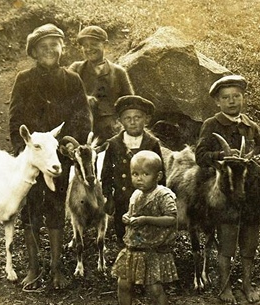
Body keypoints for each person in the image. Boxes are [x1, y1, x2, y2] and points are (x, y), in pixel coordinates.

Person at [9, 23, 92, 290]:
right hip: (33, 159)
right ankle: (34, 269)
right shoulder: (24, 80)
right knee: (31, 210)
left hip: (59, 159)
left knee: (56, 208)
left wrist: (72, 143)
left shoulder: (72, 80)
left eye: (53, 45)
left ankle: (57, 270)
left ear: (62, 48)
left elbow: (82, 116)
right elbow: (15, 119)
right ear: (33, 52)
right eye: (42, 47)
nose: (49, 51)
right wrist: (23, 152)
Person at [194, 75, 260, 305]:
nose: (232, 102)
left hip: (250, 193)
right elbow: (200, 156)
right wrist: (222, 156)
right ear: (218, 101)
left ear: (243, 98)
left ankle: (246, 283)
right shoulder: (212, 125)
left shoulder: (250, 126)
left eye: (236, 96)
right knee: (227, 240)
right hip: (225, 194)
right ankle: (224, 286)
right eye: (226, 98)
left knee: (250, 240)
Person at [112, 150, 178, 305]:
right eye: (135, 174)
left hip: (152, 251)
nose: (139, 179)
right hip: (133, 249)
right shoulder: (135, 194)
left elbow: (171, 219)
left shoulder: (164, 195)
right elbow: (133, 215)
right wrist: (128, 217)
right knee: (123, 284)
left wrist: (147, 219)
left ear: (158, 176)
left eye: (145, 174)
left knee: (154, 288)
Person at [101, 95, 166, 245]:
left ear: (147, 120)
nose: (132, 122)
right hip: (122, 200)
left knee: (145, 236)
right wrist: (108, 197)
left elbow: (161, 174)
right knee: (123, 236)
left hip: (147, 200)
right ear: (120, 121)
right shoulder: (114, 144)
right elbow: (106, 173)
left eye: (137, 117)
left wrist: (161, 198)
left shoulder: (152, 143)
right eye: (127, 118)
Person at [68, 25, 135, 142]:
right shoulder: (76, 69)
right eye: (85, 46)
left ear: (106, 45)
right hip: (81, 128)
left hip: (111, 130)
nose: (88, 49)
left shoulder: (119, 72)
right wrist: (84, 100)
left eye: (93, 44)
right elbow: (63, 96)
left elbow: (131, 104)